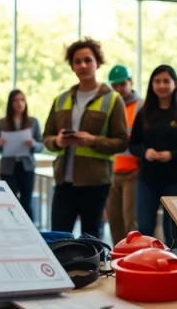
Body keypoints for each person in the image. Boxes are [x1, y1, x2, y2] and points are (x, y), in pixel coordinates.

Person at [43, 38, 128, 238]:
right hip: (64, 180)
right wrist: (57, 141)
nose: (83, 65)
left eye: (88, 60)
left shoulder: (113, 99)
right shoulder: (61, 99)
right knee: (58, 237)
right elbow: (46, 136)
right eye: (77, 61)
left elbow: (122, 141)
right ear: (72, 66)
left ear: (97, 63)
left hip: (95, 182)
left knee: (91, 239)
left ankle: (92, 271)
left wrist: (92, 140)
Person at [129, 65, 177, 250]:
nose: (161, 85)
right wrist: (145, 152)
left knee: (172, 233)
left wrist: (172, 155)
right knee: (145, 229)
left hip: (176, 178)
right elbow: (133, 144)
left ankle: (172, 268)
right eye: (157, 81)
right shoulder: (145, 111)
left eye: (166, 81)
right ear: (152, 85)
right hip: (147, 179)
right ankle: (146, 267)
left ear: (175, 84)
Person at [106, 64, 144, 244]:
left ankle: (134, 263)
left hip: (133, 174)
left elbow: (148, 140)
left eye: (122, 84)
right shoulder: (111, 107)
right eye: (115, 86)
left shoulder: (142, 106)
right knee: (114, 222)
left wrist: (141, 168)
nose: (119, 89)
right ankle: (118, 264)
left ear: (130, 82)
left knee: (131, 224)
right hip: (113, 174)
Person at [0, 89, 43, 220]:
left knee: (26, 202)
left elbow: (41, 146)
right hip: (8, 168)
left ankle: (30, 233)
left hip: (27, 167)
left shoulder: (33, 122)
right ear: (10, 103)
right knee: (10, 203)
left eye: (22, 100)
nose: (19, 103)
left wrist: (33, 144)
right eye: (15, 100)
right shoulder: (2, 123)